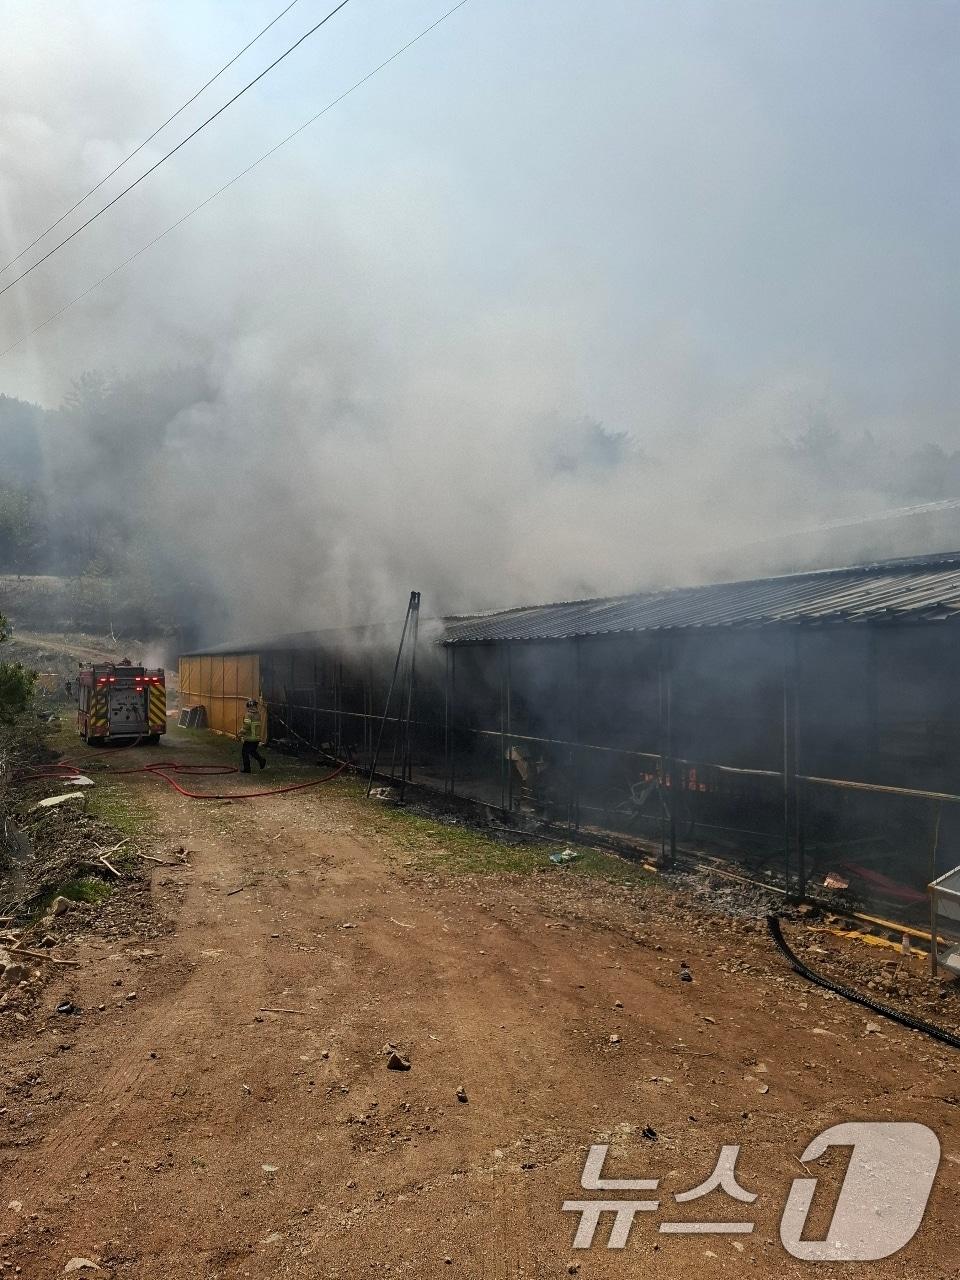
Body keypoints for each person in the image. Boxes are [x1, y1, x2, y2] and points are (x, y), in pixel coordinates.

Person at [239, 698, 266, 772]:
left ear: (249, 706)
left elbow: (246, 726)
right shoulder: (258, 714)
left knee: (244, 752)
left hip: (250, 738)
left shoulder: (248, 715)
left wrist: (240, 733)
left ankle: (247, 768)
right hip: (256, 738)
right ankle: (261, 760)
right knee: (252, 751)